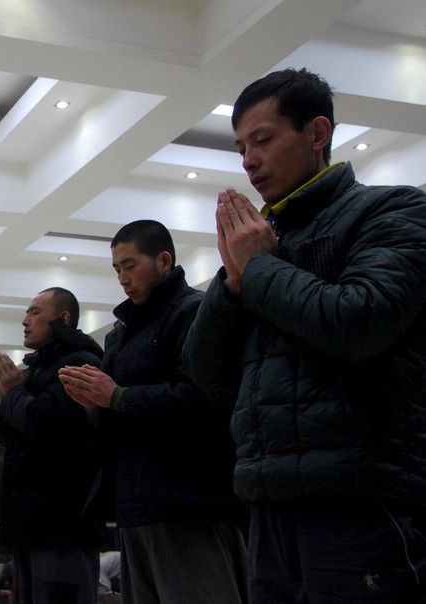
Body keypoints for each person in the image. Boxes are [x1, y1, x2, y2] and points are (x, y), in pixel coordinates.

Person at [183, 67, 426, 603]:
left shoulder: (394, 209)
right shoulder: (261, 243)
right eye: (241, 147)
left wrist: (259, 268)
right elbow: (202, 369)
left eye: (262, 140)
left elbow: (358, 323)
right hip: (267, 502)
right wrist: (232, 284)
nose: (248, 161)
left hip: (362, 500)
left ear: (317, 134)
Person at [59, 220, 247, 604]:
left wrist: (115, 397)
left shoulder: (195, 312)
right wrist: (94, 404)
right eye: (116, 269)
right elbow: (115, 412)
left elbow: (203, 401)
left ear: (163, 261)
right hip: (136, 504)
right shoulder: (121, 332)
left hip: (190, 502)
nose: (122, 278)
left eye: (130, 266)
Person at [0, 287, 104, 604]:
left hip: (63, 524)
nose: (25, 320)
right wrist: (8, 395)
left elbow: (42, 422)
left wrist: (13, 393)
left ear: (62, 319)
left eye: (35, 311)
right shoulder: (37, 370)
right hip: (31, 524)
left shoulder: (80, 363)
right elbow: (8, 436)